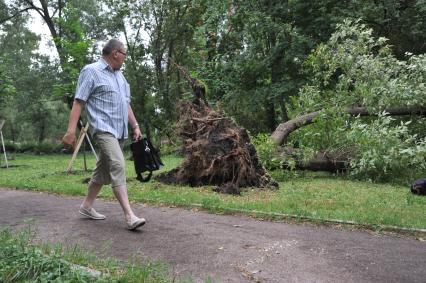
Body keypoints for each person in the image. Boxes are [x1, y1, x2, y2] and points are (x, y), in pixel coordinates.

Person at [62, 39, 145, 230]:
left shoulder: (121, 77)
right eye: (124, 53)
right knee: (117, 163)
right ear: (115, 53)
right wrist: (70, 131)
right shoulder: (91, 71)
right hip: (103, 129)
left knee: (103, 170)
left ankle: (86, 206)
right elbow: (79, 102)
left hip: (120, 132)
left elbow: (126, 104)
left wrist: (135, 125)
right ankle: (129, 215)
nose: (125, 57)